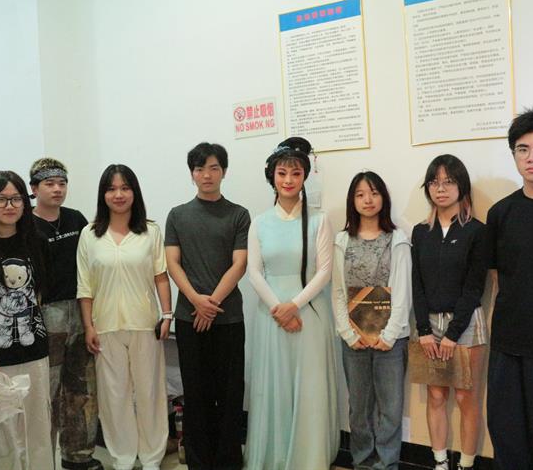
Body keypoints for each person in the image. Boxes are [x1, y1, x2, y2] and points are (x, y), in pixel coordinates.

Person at [245, 137, 339, 470]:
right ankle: (275, 457)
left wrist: (293, 305)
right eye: (282, 173)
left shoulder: (319, 220)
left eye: (296, 173)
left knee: (309, 388)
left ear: (304, 177)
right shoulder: (259, 222)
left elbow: (324, 271)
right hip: (271, 316)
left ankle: (308, 459)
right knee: (276, 388)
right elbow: (254, 272)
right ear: (272, 176)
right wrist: (279, 309)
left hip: (309, 314)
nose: (288, 180)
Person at [77, 164, 171, 470]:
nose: (118, 195)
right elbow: (85, 286)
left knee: (149, 393)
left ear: (134, 192)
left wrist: (167, 315)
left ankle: (152, 458)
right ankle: (122, 458)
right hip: (105, 326)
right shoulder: (89, 234)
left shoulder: (150, 231)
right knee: (114, 396)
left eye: (125, 188)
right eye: (112, 189)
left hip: (145, 323)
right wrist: (89, 326)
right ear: (103, 194)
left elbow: (160, 276)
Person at [165, 142, 250, 470]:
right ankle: (198, 462)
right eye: (200, 169)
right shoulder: (177, 215)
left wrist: (210, 304)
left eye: (214, 168)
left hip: (228, 318)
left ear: (224, 172)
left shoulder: (238, 214)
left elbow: (239, 264)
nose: (207, 175)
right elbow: (172, 263)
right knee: (196, 392)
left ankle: (228, 461)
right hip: (189, 318)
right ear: (192, 174)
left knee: (229, 393)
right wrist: (196, 301)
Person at [486, 108, 533, 470]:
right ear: (514, 155)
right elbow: (498, 278)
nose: (532, 157)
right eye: (523, 149)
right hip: (510, 344)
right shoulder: (501, 213)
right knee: (509, 439)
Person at [0, 170, 54, 470]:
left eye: (16, 199)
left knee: (38, 436)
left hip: (34, 355)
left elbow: (41, 293)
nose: (9, 206)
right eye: (1, 199)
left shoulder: (38, 242)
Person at [411, 155, 487, 470]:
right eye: (434, 182)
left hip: (466, 323)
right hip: (429, 326)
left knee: (467, 399)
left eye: (449, 181)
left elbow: (474, 287)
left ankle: (466, 465)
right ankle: (440, 463)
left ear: (461, 186)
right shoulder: (420, 231)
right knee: (436, 397)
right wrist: (424, 331)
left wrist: (453, 334)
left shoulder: (477, 231)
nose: (440, 188)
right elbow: (416, 284)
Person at [332, 171, 411, 470]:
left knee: (390, 408)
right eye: (361, 194)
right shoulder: (342, 240)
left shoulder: (397, 239)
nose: (368, 199)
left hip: (391, 340)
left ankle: (388, 464)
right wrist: (348, 332)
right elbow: (338, 292)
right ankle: (362, 462)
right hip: (354, 339)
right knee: (359, 408)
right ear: (352, 200)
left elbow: (402, 291)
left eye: (374, 192)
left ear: (383, 198)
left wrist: (388, 335)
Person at [29, 158, 102, 470]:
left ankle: (78, 455)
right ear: (34, 189)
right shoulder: (26, 224)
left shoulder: (76, 219)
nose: (57, 189)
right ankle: (43, 459)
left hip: (81, 309)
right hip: (46, 314)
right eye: (49, 183)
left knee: (82, 387)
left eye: (62, 183)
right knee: (47, 391)